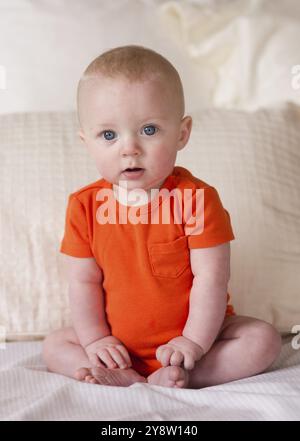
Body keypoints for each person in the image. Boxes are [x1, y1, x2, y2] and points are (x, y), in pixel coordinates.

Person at [42, 45, 282, 389]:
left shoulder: (196, 199)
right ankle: (120, 373)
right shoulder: (84, 206)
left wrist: (194, 342)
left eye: (149, 130)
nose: (130, 148)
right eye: (109, 135)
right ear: (87, 142)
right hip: (117, 345)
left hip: (197, 339)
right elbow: (83, 282)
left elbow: (211, 279)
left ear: (182, 133)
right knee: (54, 346)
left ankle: (183, 374)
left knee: (263, 340)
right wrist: (96, 341)